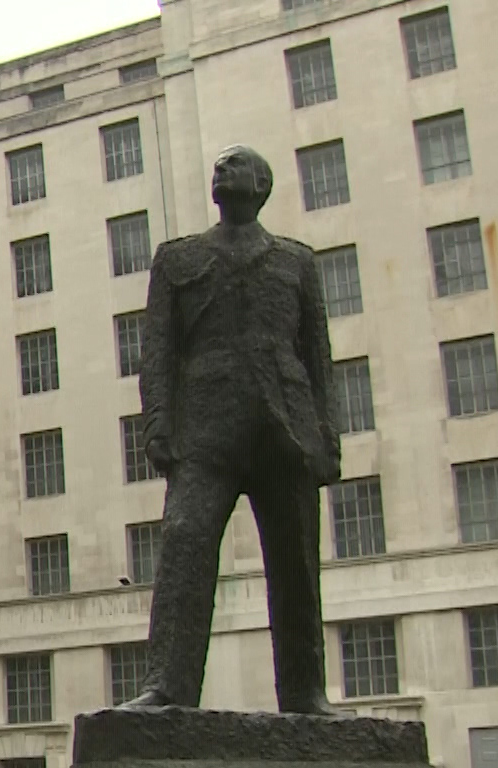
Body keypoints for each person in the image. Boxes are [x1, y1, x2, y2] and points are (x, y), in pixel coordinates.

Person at [126, 145, 342, 715]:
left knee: (296, 562)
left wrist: (327, 439)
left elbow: (319, 358)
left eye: (235, 163)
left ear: (261, 185)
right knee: (185, 542)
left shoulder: (297, 262)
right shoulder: (177, 259)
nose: (221, 170)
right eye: (218, 165)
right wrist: (158, 427)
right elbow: (158, 354)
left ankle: (304, 691)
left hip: (287, 432)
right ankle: (168, 685)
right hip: (206, 432)